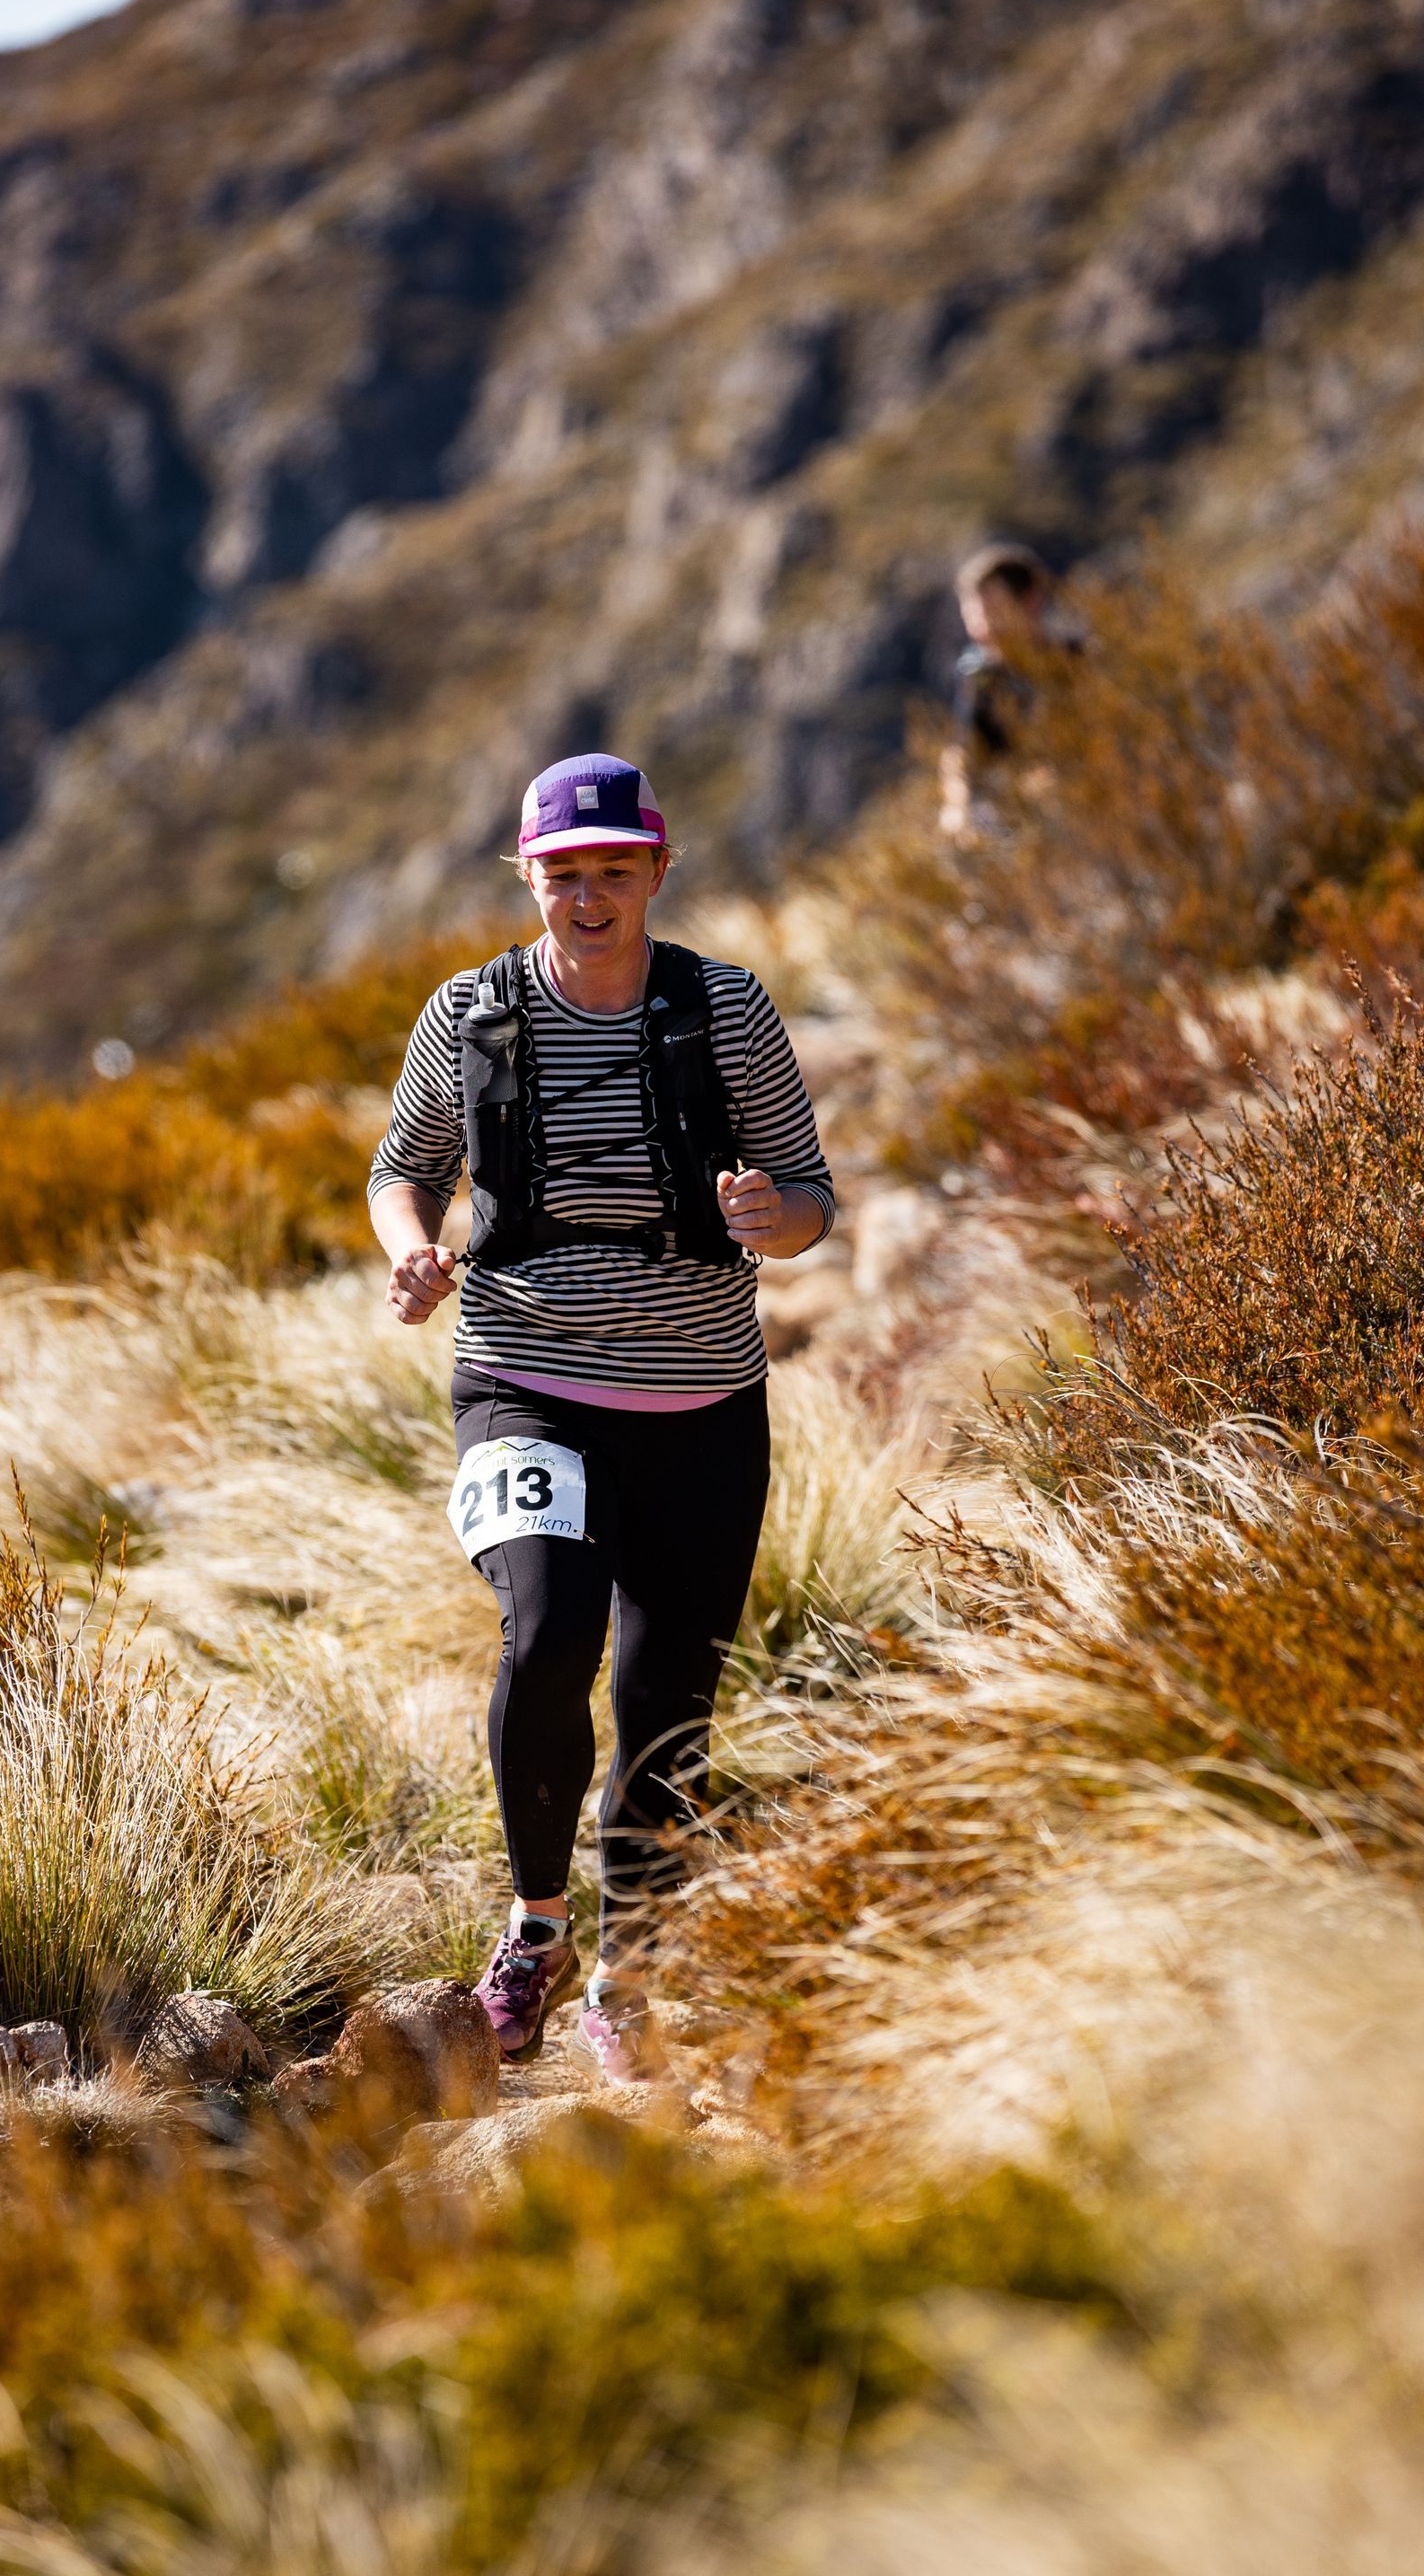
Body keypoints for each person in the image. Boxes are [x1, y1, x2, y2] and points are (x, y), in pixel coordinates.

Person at [367, 752, 834, 2084]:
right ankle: (536, 1923)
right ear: (529, 874)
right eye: (564, 874)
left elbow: (813, 1195)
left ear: (657, 872)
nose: (588, 896)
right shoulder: (468, 1014)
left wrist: (775, 1221)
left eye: (614, 872)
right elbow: (403, 1168)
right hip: (522, 1374)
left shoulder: (726, 1009)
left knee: (666, 1703)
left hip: (701, 1400)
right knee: (550, 1631)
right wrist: (410, 1251)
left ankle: (628, 1973)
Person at [938, 541, 1055, 842]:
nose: (981, 626)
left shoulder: (1072, 662)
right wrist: (958, 804)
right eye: (972, 612)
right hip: (1007, 807)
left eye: (992, 608)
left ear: (1029, 602)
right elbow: (963, 750)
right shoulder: (981, 675)